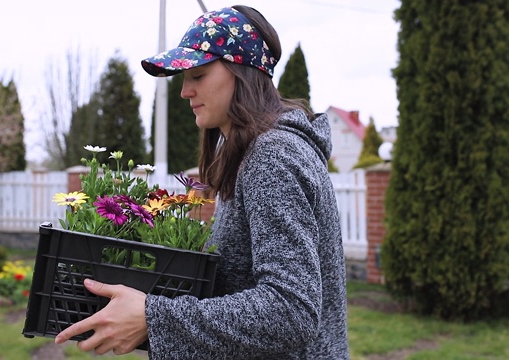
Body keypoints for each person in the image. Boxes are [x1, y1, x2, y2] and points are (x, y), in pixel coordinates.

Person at [55, 5, 349, 359]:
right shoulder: (253, 150)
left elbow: (291, 311)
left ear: (243, 71)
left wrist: (153, 316)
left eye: (199, 74)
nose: (185, 91)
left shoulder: (272, 155)